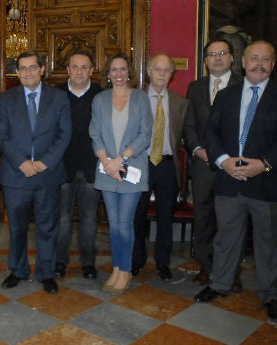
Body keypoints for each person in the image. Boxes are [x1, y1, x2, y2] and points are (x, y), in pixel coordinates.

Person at [195, 41, 277, 324]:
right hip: (229, 180)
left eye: (266, 59)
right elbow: (210, 131)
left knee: (270, 244)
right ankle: (219, 284)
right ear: (243, 62)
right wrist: (224, 160)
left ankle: (272, 295)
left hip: (268, 182)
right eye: (254, 58)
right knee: (226, 238)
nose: (259, 63)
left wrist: (262, 164)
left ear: (273, 65)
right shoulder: (226, 95)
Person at [0, 51, 71, 294]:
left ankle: (46, 272)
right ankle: (17, 270)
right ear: (17, 72)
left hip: (47, 174)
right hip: (15, 174)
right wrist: (21, 162)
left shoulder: (58, 98)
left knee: (47, 226)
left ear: (41, 70)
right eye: (23, 68)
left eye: (32, 67)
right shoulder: (6, 99)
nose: (28, 72)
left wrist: (43, 163)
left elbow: (64, 134)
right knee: (16, 227)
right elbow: (1, 135)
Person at [89, 53, 152, 294]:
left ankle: (125, 270)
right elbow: (95, 133)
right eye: (113, 70)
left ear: (129, 72)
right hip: (106, 170)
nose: (118, 74)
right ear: (108, 73)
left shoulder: (140, 98)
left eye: (122, 69)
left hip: (131, 169)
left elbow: (145, 136)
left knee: (125, 224)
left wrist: (120, 160)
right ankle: (115, 267)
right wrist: (107, 162)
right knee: (114, 225)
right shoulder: (100, 99)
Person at [184, 39, 243, 288]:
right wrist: (197, 149)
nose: (217, 58)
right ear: (206, 60)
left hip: (232, 165)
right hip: (203, 165)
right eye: (212, 54)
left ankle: (232, 271)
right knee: (204, 218)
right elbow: (189, 124)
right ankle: (206, 266)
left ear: (232, 58)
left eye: (222, 53)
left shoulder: (244, 85)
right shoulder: (195, 87)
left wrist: (226, 156)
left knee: (232, 220)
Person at [132, 53, 188, 281]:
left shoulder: (180, 103)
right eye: (158, 69)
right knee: (136, 217)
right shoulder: (135, 100)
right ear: (148, 72)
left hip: (166, 166)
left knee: (166, 218)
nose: (162, 74)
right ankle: (136, 262)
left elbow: (185, 136)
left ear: (172, 75)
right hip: (140, 164)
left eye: (167, 70)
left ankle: (163, 264)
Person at [55, 49, 102, 280]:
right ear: (67, 70)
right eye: (75, 67)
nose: (79, 71)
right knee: (62, 220)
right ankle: (59, 261)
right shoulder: (56, 95)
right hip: (63, 167)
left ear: (92, 70)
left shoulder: (102, 95)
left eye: (85, 67)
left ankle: (88, 263)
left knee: (89, 220)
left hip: (92, 166)